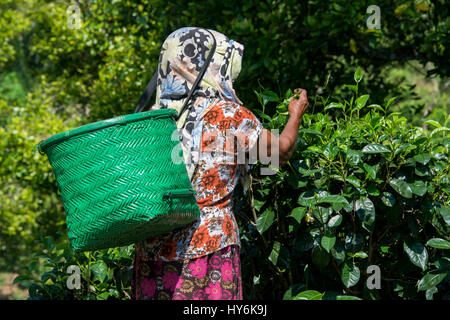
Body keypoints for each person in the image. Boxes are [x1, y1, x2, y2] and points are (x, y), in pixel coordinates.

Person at [131, 27, 309, 300]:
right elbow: (279, 154)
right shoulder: (227, 116)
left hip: (150, 257)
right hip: (208, 252)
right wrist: (295, 115)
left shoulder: (150, 118)